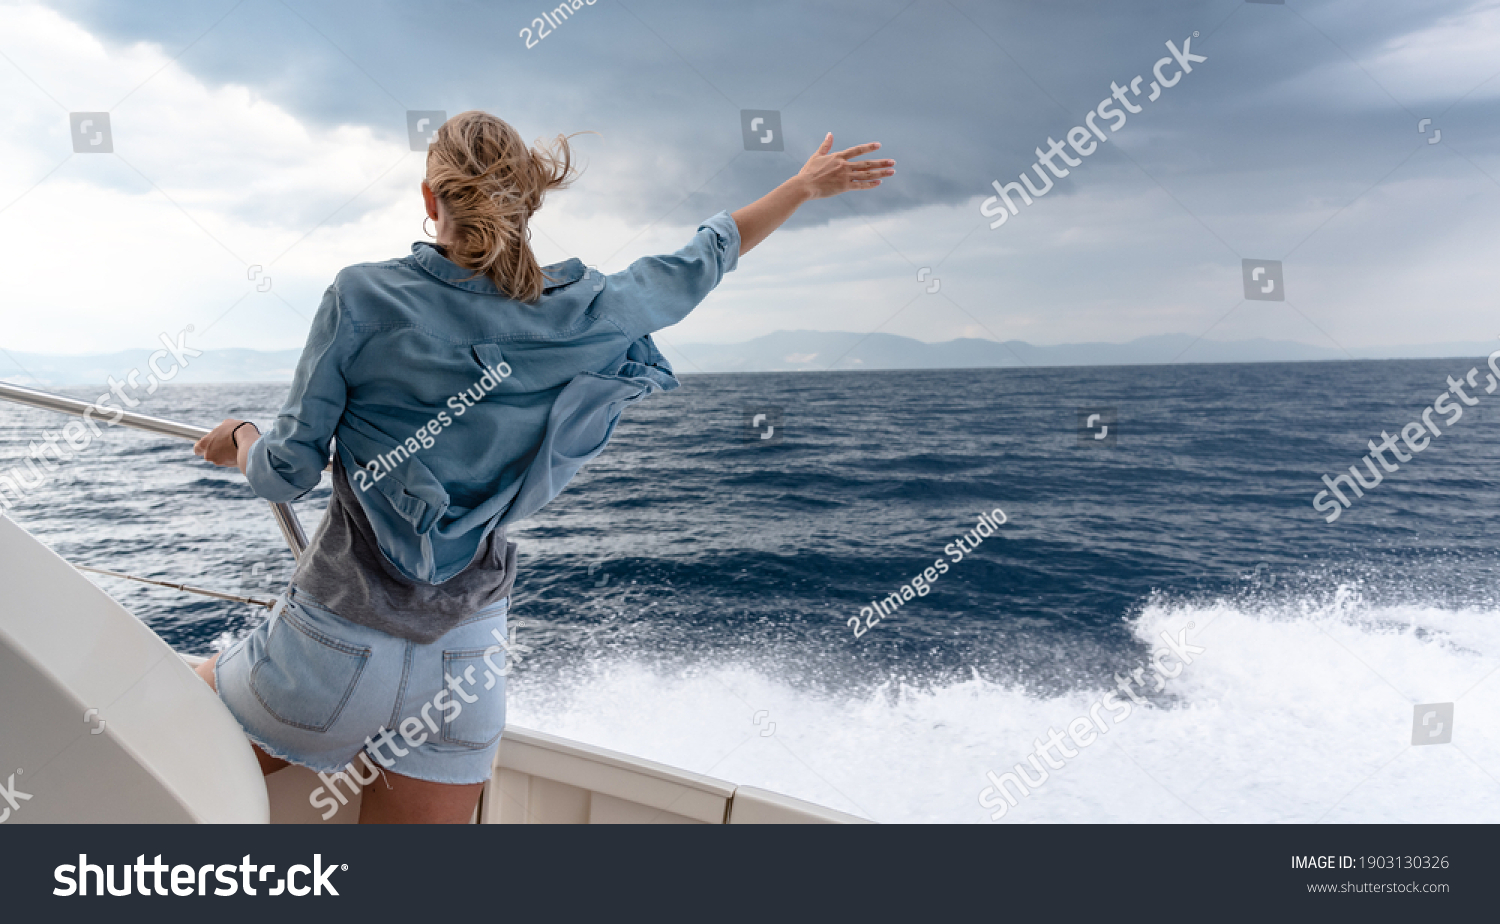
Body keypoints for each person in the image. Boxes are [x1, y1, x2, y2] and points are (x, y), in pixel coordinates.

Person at [191, 110, 894, 823]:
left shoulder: (362, 296)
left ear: (430, 198)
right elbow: (702, 259)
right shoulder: (590, 311)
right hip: (465, 669)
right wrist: (801, 187)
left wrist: (241, 437)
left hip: (332, 649)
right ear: (529, 201)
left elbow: (287, 473)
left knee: (154, 724)